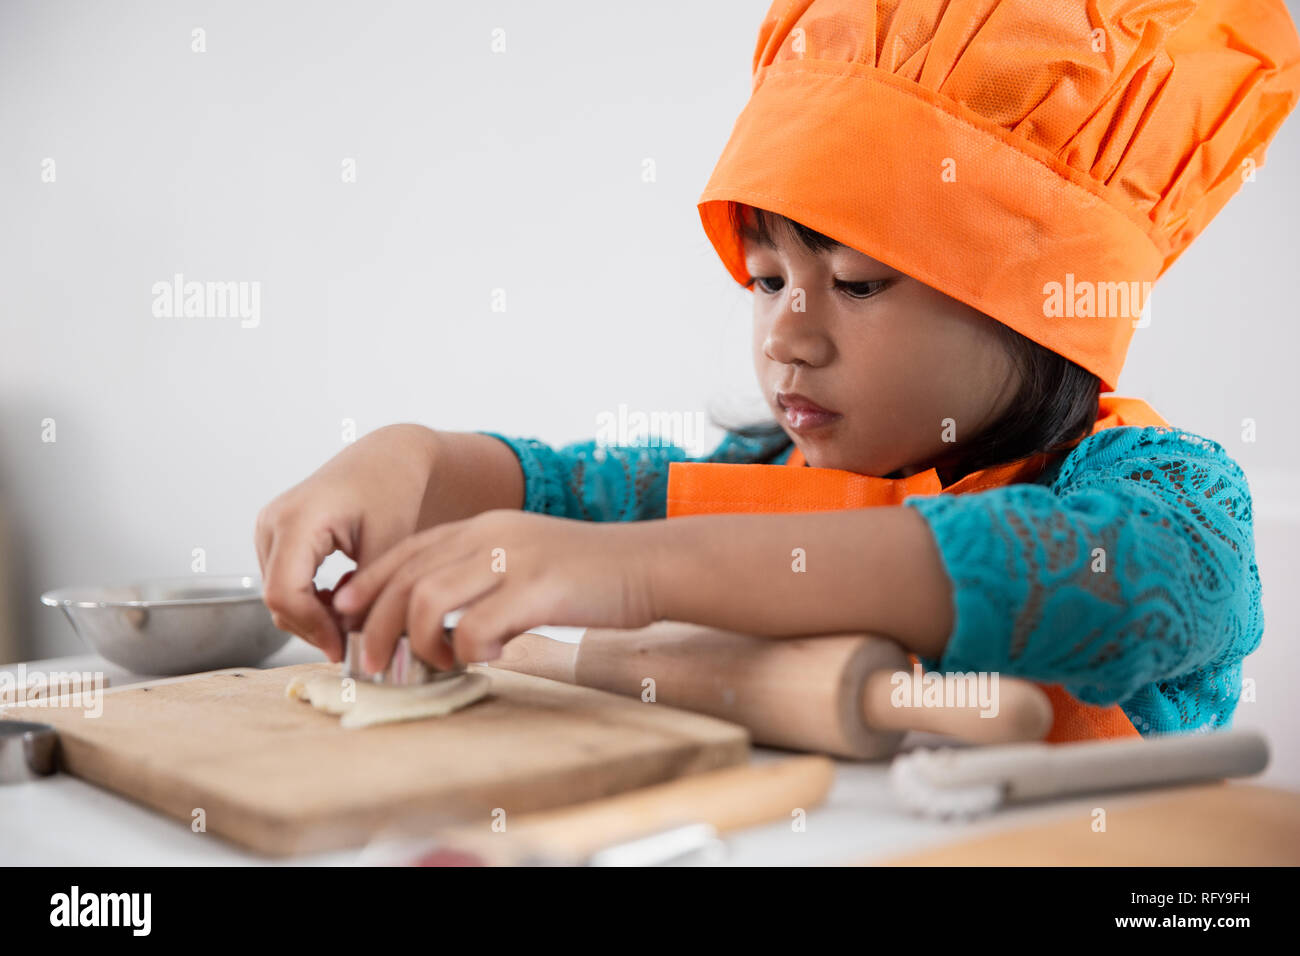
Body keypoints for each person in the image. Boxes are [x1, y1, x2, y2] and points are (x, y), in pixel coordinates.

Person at [256, 0, 1300, 740]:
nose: (786, 335)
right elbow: (565, 489)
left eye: (854, 283)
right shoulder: (765, 467)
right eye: (764, 278)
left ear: (1031, 310)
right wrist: (404, 460)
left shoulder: (1168, 502)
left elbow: (1067, 571)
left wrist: (628, 572)